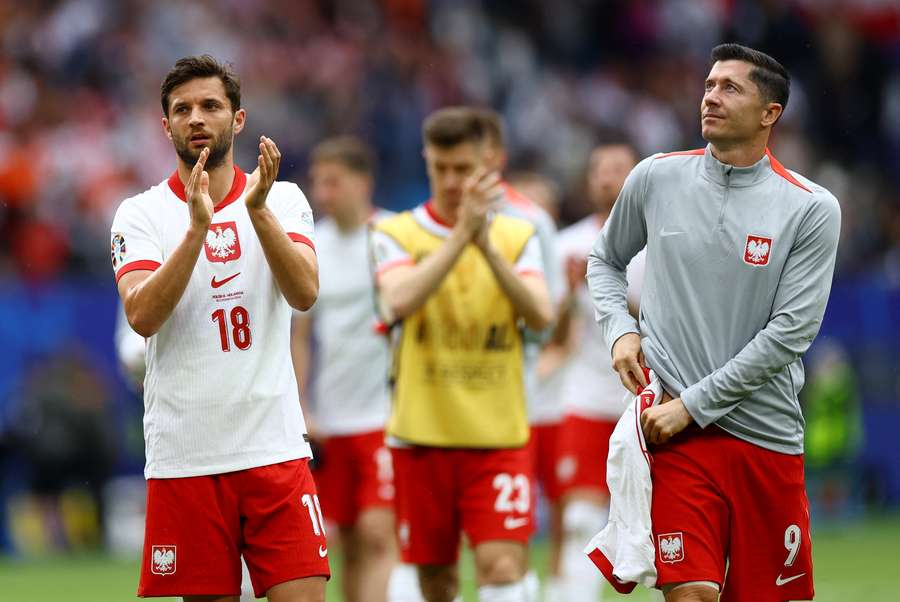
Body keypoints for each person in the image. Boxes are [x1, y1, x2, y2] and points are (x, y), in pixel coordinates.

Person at [587, 44, 841, 601]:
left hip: (764, 438)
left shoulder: (811, 207)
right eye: (708, 85)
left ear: (770, 114)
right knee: (691, 592)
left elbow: (790, 334)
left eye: (731, 88)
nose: (711, 97)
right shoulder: (655, 177)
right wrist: (620, 331)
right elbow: (604, 260)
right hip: (677, 438)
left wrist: (693, 406)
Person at [110, 55, 328, 602]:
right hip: (187, 458)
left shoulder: (282, 197)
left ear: (238, 119)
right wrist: (196, 229)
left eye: (210, 105)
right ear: (166, 127)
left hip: (274, 451)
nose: (196, 118)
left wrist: (256, 213)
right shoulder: (139, 215)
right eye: (181, 109)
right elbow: (141, 315)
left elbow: (304, 294)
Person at [371, 107, 553, 602]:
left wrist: (487, 246)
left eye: (463, 169)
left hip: (498, 436)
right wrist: (460, 236)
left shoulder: (518, 236)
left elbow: (540, 314)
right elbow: (399, 299)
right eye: (440, 169)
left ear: (486, 166)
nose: (451, 181)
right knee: (436, 581)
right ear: (427, 163)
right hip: (421, 437)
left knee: (501, 566)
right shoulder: (394, 233)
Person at [291, 136, 400, 602]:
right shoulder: (312, 244)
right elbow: (299, 336)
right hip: (332, 419)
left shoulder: (396, 237)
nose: (323, 193)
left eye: (333, 182)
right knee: (344, 542)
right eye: (319, 182)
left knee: (380, 533)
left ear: (363, 182)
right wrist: (302, 407)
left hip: (386, 415)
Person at [473, 109, 565, 602]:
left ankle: (521, 587)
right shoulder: (426, 222)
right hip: (446, 396)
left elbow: (545, 315)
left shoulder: (532, 222)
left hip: (513, 390)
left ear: (496, 157)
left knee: (509, 531)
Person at [554, 143, 644, 602]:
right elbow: (546, 329)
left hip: (647, 399)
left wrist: (606, 281)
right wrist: (563, 298)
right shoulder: (565, 244)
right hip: (585, 394)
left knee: (657, 517)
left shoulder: (659, 244)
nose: (606, 178)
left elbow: (669, 320)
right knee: (578, 520)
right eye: (598, 169)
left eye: (617, 169)